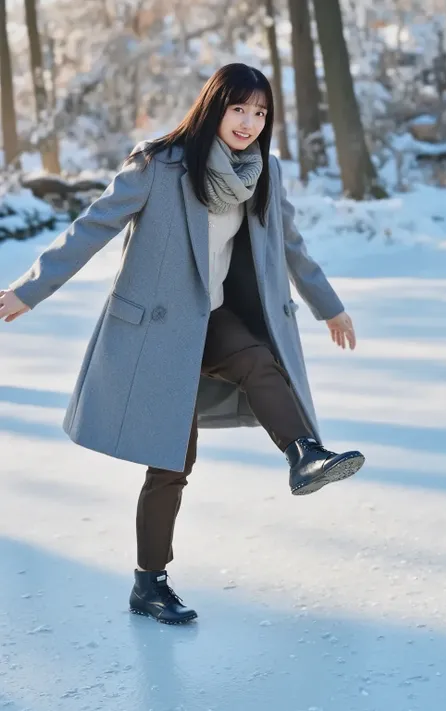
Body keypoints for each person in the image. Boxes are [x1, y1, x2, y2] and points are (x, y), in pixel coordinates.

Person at [0, 63, 365, 626]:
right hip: (159, 333)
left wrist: (329, 304)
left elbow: (291, 245)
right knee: (172, 463)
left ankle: (304, 456)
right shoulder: (158, 165)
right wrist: (31, 289)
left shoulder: (263, 172)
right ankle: (150, 584)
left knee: (261, 364)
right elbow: (92, 226)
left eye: (260, 113)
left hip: (214, 316)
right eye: (238, 109)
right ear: (214, 107)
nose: (248, 123)